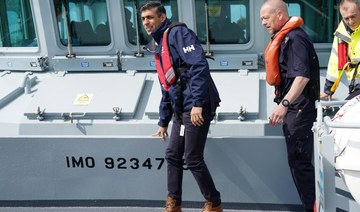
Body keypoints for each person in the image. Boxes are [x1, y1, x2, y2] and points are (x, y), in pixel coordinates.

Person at [140, 1, 222, 212]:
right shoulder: (158, 44)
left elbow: (198, 66)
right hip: (180, 110)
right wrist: (163, 121)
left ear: (162, 17)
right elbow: (166, 84)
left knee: (193, 157)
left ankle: (213, 204)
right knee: (173, 154)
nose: (146, 22)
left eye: (150, 17)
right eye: (143, 19)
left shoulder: (178, 34)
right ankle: (173, 203)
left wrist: (198, 104)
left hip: (195, 106)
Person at [260, 1, 320, 211]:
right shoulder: (285, 37)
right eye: (261, 19)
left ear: (279, 14)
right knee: (297, 164)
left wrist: (284, 104)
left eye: (266, 18)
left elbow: (302, 77)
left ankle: (313, 208)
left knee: (300, 164)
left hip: (299, 110)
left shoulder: (295, 39)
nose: (263, 22)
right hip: (295, 110)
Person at [320, 0, 360, 101]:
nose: (350, 22)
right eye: (346, 18)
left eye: (353, 16)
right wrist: (328, 89)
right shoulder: (341, 33)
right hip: (355, 87)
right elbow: (335, 62)